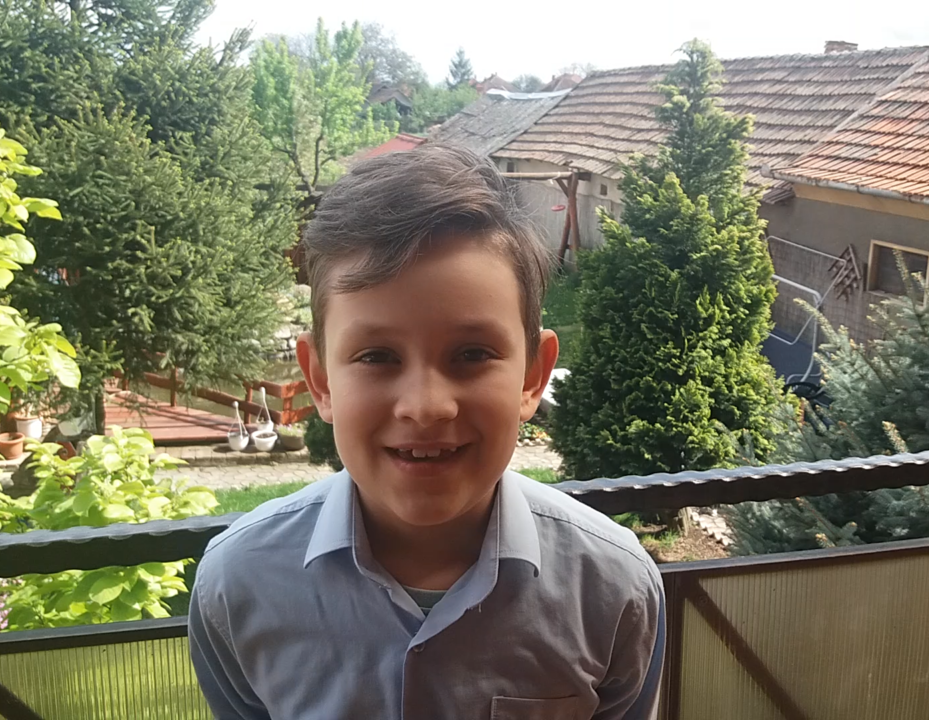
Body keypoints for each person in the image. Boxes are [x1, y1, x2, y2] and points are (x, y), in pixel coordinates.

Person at [188, 144, 665, 719]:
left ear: (532, 376)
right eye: (376, 356)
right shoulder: (237, 585)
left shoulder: (614, 589)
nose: (426, 407)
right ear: (321, 380)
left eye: (472, 353)